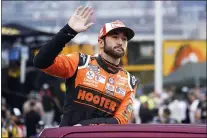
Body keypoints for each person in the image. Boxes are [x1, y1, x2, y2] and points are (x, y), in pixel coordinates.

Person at [34, 6, 139, 127]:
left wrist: (83, 126)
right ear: (101, 42)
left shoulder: (130, 81)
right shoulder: (80, 62)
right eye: (115, 37)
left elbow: (121, 120)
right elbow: (41, 61)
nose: (120, 42)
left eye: (124, 39)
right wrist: (68, 31)